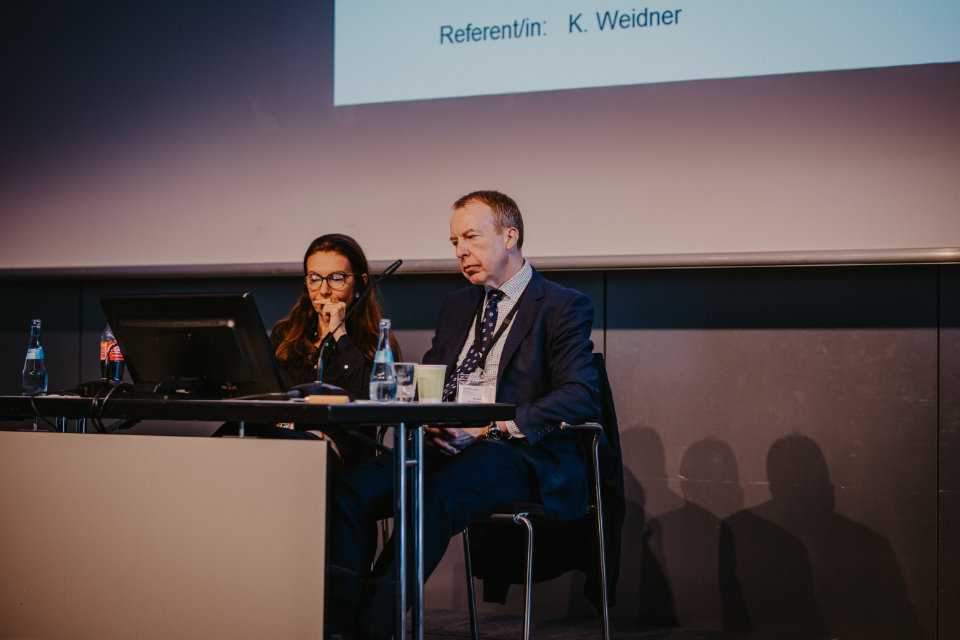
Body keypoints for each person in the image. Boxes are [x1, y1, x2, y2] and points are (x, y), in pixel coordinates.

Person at [326, 191, 601, 640]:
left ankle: (372, 629)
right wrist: (427, 419)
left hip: (514, 450)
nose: (460, 251)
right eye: (454, 241)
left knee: (435, 497)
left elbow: (580, 395)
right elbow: (432, 380)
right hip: (446, 445)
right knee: (351, 492)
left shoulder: (560, 304)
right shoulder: (458, 304)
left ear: (510, 236)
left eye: (471, 237)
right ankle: (338, 623)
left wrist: (487, 427)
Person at [214, 233, 399, 472]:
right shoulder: (286, 333)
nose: (323, 290)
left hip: (339, 456)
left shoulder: (376, 340)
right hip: (279, 440)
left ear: (360, 282)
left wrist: (340, 334)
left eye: (337, 278)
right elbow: (260, 394)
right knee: (228, 435)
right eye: (314, 278)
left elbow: (374, 403)